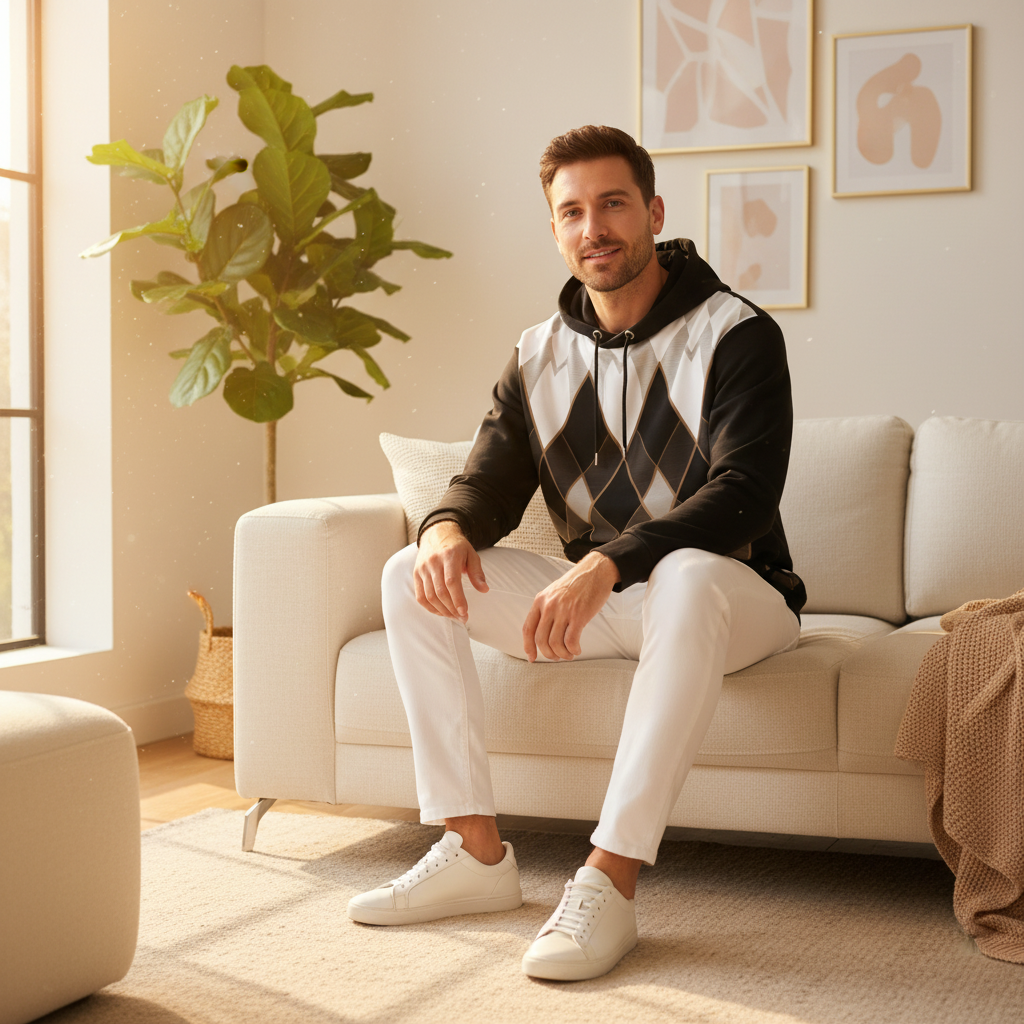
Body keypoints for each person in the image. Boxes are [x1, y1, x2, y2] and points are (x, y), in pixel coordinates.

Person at [347, 125, 806, 981]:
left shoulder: (736, 334)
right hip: (608, 605)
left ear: (654, 212)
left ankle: (610, 879)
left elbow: (743, 495)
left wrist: (605, 564)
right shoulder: (537, 356)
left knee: (689, 572)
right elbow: (484, 487)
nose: (594, 226)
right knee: (410, 573)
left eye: (613, 204)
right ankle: (473, 851)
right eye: (572, 212)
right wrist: (443, 527)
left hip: (735, 598)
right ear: (556, 231)